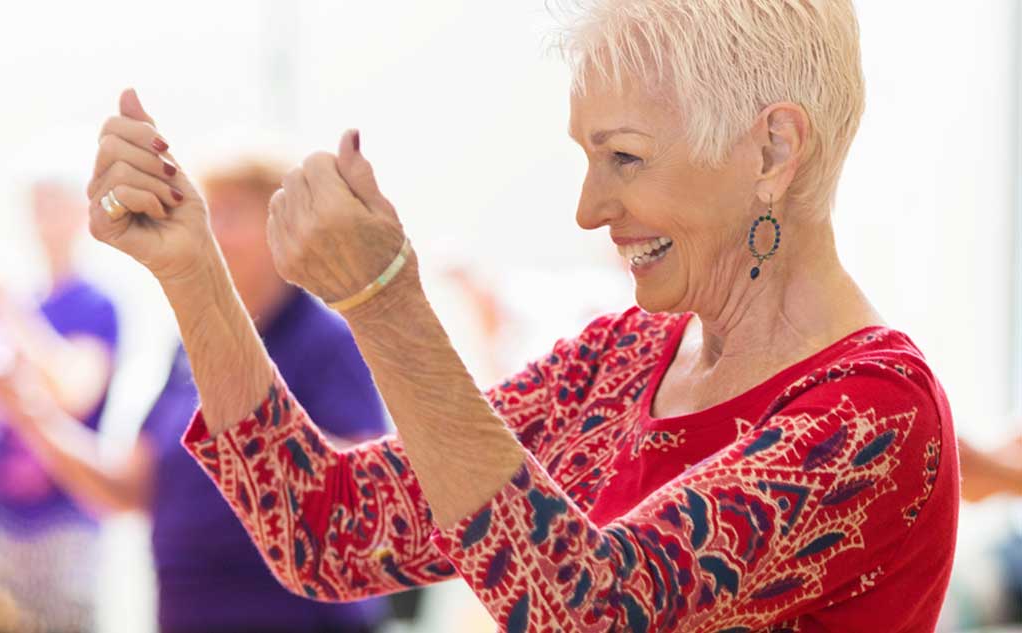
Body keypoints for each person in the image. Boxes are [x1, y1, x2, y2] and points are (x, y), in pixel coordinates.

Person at [83, 0, 958, 629]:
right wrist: (194, 272)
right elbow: (327, 530)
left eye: (623, 157)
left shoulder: (872, 411)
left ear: (772, 148)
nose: (587, 207)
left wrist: (386, 306)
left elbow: (587, 613)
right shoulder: (621, 359)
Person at [0, 157, 390, 633]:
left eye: (230, 215)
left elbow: (365, 493)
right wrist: (33, 414)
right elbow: (130, 489)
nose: (209, 234)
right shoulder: (190, 347)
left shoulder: (325, 341)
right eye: (204, 214)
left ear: (285, 229)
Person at [0, 178, 119, 633]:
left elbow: (77, 391)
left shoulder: (95, 304)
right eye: (37, 206)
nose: (44, 217)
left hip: (64, 516)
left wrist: (14, 316)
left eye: (55, 204)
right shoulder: (11, 304)